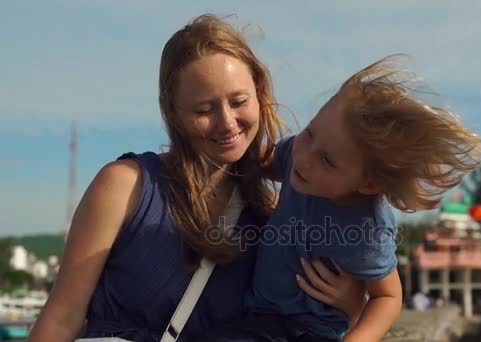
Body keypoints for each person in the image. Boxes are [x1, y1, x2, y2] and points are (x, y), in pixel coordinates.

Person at [28, 14, 366, 342]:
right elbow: (62, 316)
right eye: (204, 110)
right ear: (173, 112)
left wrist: (351, 306)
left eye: (239, 101)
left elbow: (296, 323)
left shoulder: (270, 214)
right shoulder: (126, 185)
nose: (227, 123)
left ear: (260, 92)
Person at [203, 56, 481, 341]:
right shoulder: (302, 155)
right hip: (259, 313)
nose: (305, 158)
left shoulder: (367, 231)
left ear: (368, 183)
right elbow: (263, 161)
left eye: (327, 161)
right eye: (309, 133)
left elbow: (389, 296)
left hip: (311, 329)